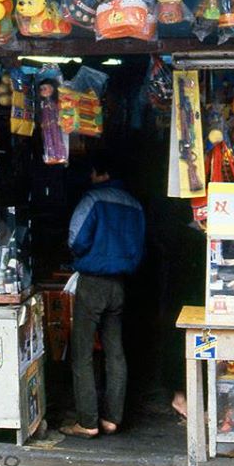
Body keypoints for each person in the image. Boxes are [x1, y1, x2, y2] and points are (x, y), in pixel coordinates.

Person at [60, 150, 145, 439]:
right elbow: (139, 248)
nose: (90, 177)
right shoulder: (134, 204)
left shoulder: (93, 199)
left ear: (100, 173)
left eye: (93, 172)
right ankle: (111, 419)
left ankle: (87, 422)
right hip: (119, 284)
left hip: (93, 282)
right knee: (115, 351)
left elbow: (76, 240)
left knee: (82, 352)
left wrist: (86, 256)